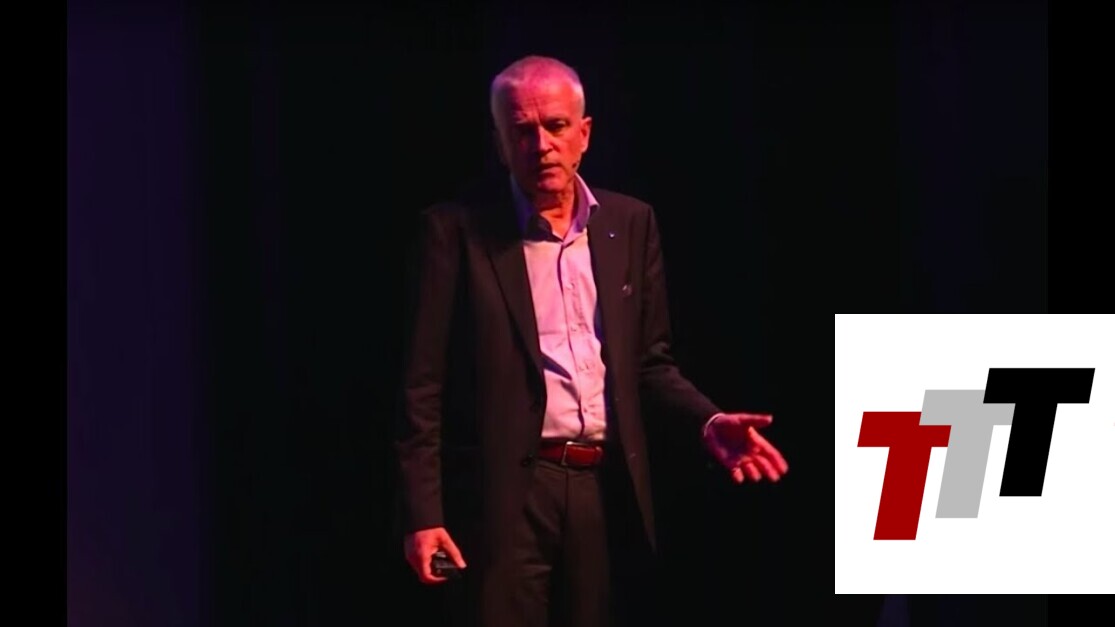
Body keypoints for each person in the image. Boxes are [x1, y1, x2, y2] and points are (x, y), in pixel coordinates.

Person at [394, 54, 789, 627]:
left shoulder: (629, 223)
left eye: (555, 126)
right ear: (501, 143)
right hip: (504, 497)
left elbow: (648, 364)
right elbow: (422, 386)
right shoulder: (453, 231)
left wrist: (707, 422)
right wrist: (423, 514)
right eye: (522, 131)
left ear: (584, 133)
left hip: (602, 490)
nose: (541, 145)